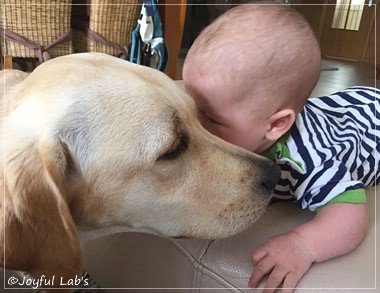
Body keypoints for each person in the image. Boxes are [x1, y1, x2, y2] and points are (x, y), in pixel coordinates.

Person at [182, 3, 379, 292]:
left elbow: (350, 215)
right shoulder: (247, 128)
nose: (195, 126)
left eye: (210, 117)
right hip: (346, 105)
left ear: (275, 126)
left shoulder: (307, 158)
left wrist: (302, 244)